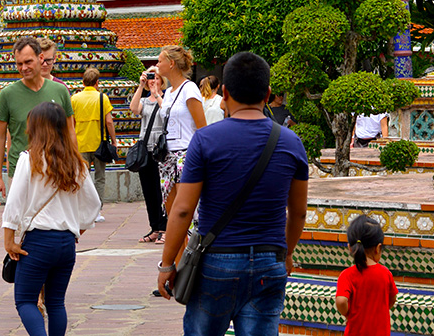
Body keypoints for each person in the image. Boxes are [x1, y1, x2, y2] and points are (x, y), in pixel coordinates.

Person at [157, 51, 309, 336]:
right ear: (268, 93)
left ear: (224, 93)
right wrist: (286, 254)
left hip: (217, 261)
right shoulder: (291, 142)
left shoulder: (205, 140)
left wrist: (167, 264)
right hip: (269, 260)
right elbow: (298, 212)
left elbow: (182, 209)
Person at [3, 101, 100, 336]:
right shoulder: (76, 161)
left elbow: (14, 200)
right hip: (66, 242)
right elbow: (94, 204)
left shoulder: (30, 159)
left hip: (38, 241)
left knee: (25, 300)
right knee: (56, 302)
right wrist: (76, 230)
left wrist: (9, 239)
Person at [0, 37, 75, 206]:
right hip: (21, 172)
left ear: (41, 58)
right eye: (19, 64)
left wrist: (74, 165)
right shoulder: (8, 95)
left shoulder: (60, 91)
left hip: (56, 169)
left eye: (28, 62)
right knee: (20, 224)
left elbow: (70, 131)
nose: (24, 68)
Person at [155, 46, 205, 219]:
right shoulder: (168, 93)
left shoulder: (190, 89)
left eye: (160, 61)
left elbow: (202, 128)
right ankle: (178, 247)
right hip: (167, 156)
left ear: (171, 63)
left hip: (186, 154)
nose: (157, 65)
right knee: (172, 213)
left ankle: (189, 247)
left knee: (187, 213)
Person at [336, 214, 397, 335]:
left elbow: (342, 301)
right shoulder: (385, 273)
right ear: (378, 248)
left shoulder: (347, 275)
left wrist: (347, 313)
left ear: (350, 247)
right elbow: (392, 298)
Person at [70, 67, 117, 220]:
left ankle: (82, 210)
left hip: (80, 143)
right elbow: (109, 122)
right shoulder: (102, 98)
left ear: (83, 82)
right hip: (99, 143)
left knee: (82, 178)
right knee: (100, 178)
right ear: (97, 82)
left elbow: (71, 123)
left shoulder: (75, 99)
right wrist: (114, 141)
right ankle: (96, 211)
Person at [129, 67, 166, 243]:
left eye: (157, 78)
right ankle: (154, 227)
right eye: (151, 78)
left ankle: (164, 228)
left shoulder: (166, 98)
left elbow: (166, 111)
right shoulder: (144, 100)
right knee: (149, 192)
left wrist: (157, 94)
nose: (153, 81)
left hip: (161, 151)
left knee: (161, 192)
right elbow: (134, 109)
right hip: (146, 151)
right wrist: (141, 86)